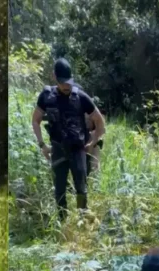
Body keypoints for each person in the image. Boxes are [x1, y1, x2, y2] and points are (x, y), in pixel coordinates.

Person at [32, 58, 106, 220]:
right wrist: (42, 145)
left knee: (81, 188)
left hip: (78, 149)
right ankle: (62, 222)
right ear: (54, 77)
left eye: (69, 81)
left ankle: (81, 221)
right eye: (62, 82)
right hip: (57, 148)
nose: (66, 85)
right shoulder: (46, 96)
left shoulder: (80, 97)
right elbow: (35, 120)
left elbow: (100, 122)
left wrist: (92, 143)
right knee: (59, 190)